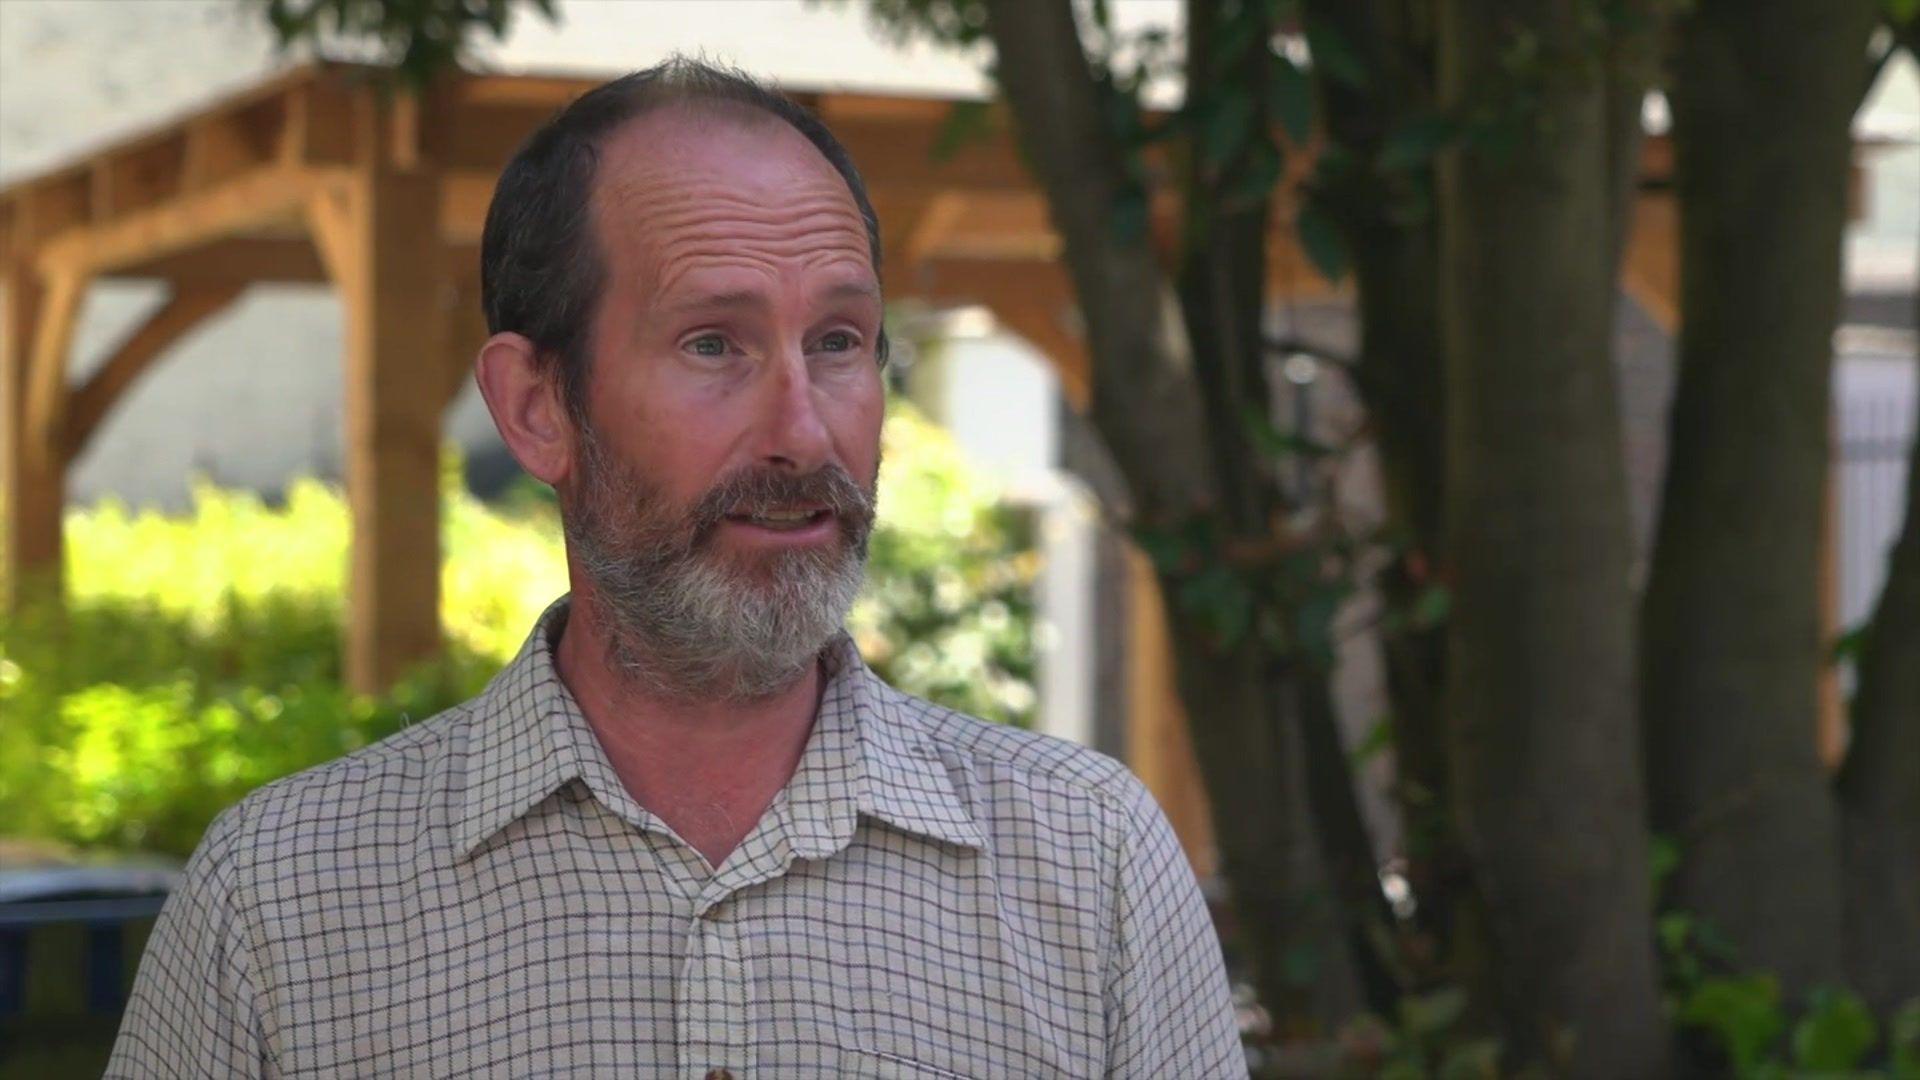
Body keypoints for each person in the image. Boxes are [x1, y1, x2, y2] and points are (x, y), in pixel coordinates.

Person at [106, 57, 1243, 1079]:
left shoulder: (1090, 866)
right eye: (714, 343)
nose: (803, 430)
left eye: (840, 341)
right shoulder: (280, 903)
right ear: (538, 407)